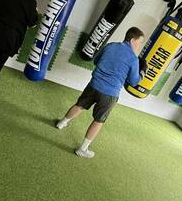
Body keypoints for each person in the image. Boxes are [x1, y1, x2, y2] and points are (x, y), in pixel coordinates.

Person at [56, 27, 147, 158]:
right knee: (99, 121)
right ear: (132, 40)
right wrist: (142, 73)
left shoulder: (110, 46)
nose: (140, 45)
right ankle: (82, 149)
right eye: (139, 42)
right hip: (109, 94)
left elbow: (96, 61)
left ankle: (62, 123)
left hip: (93, 85)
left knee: (80, 105)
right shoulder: (133, 59)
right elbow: (133, 81)